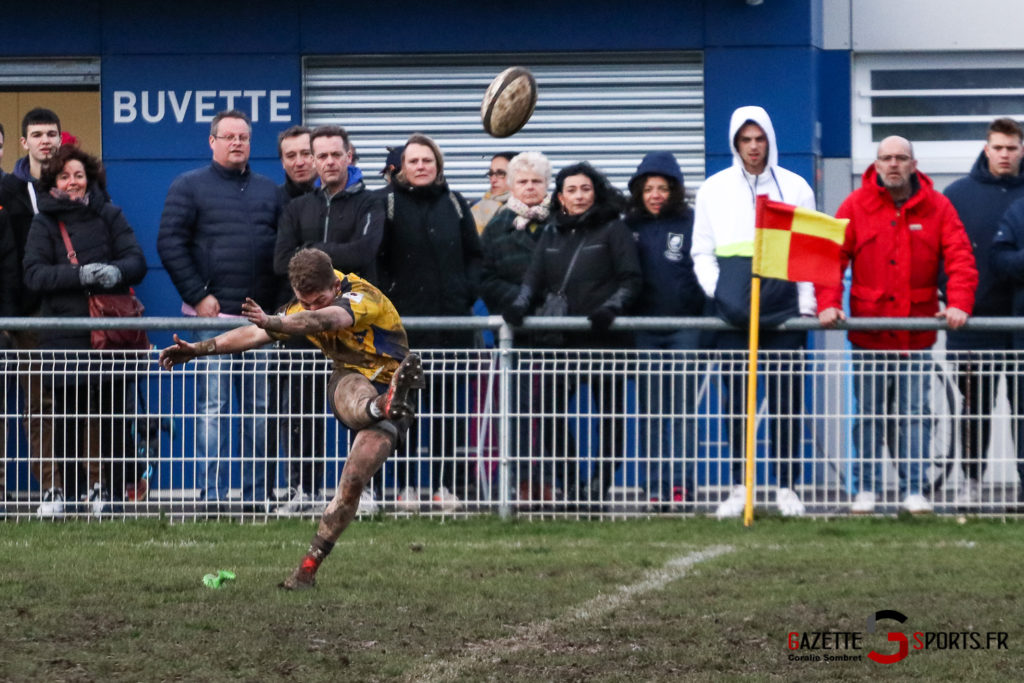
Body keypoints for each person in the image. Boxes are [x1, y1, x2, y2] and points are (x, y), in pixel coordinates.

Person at [158, 248, 424, 590]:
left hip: (391, 381)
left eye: (319, 299)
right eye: (305, 302)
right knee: (353, 391)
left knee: (354, 480)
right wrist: (200, 349)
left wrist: (278, 322)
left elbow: (327, 320)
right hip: (353, 382)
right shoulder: (299, 308)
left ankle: (306, 571)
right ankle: (379, 407)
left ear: (335, 284)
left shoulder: (362, 297)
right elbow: (253, 334)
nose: (311, 307)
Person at [819, 136, 978, 515]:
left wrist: (958, 303)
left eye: (900, 158)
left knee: (915, 414)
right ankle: (866, 490)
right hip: (868, 331)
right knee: (869, 414)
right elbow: (830, 256)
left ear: (913, 164)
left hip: (916, 333)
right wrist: (827, 304)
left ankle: (914, 491)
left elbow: (960, 258)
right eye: (886, 158)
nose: (893, 164)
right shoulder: (855, 206)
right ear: (875, 164)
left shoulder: (938, 207)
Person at [691, 105, 815, 518]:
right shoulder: (714, 188)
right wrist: (721, 293)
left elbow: (807, 252)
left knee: (786, 401)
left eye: (760, 139)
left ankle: (787, 487)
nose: (754, 147)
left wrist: (806, 305)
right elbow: (702, 252)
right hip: (733, 313)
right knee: (737, 403)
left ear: (770, 140)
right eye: (746, 140)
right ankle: (740, 488)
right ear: (735, 143)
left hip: (783, 312)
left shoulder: (795, 186)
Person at [157, 109, 283, 512]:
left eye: (243, 137)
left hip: (259, 324)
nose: (236, 143)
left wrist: (276, 309)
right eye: (227, 137)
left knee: (259, 411)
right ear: (211, 142)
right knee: (212, 409)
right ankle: (211, 497)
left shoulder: (270, 190)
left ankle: (256, 497)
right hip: (211, 321)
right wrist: (197, 296)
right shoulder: (188, 186)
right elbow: (169, 243)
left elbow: (283, 251)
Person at [504, 162, 641, 509]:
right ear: (560, 197)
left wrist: (610, 309)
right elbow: (532, 282)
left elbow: (631, 280)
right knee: (549, 415)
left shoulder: (614, 229)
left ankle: (600, 486)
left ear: (595, 192)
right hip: (561, 343)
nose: (579, 196)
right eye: (571, 190)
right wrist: (519, 306)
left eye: (585, 189)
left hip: (604, 340)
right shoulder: (550, 232)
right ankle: (573, 484)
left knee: (609, 419)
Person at [22, 145, 148, 517]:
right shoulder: (43, 223)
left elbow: (136, 261)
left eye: (79, 175)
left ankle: (103, 489)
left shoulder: (109, 214)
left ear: (89, 178)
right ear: (53, 182)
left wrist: (116, 272)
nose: (73, 182)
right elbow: (34, 274)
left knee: (107, 415)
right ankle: (67, 491)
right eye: (65, 176)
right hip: (64, 335)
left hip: (108, 335)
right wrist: (79, 275)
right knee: (66, 416)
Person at [273, 125, 385, 513]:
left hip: (354, 327)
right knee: (301, 411)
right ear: (314, 160)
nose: (329, 162)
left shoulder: (370, 203)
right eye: (321, 156)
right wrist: (323, 258)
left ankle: (365, 491)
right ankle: (304, 490)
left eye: (336, 154)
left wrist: (312, 251)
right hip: (307, 329)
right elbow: (280, 260)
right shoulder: (297, 208)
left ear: (349, 156)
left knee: (361, 408)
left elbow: (366, 250)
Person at [377, 133, 482, 510]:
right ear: (401, 167)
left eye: (428, 161)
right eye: (414, 161)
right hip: (405, 330)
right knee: (405, 411)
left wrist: (466, 292)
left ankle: (444, 487)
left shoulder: (454, 203)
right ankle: (406, 489)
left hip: (453, 328)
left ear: (438, 166)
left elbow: (475, 255)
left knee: (448, 414)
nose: (421, 167)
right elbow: (378, 259)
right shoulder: (386, 202)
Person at [944, 118, 1024, 507]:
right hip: (973, 324)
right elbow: (941, 250)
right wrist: (950, 296)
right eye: (998, 147)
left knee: (1023, 409)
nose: (1005, 154)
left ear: (1021, 149)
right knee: (975, 407)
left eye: (1011, 147)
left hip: (1021, 323)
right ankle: (971, 482)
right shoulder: (959, 194)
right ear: (986, 148)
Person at [626, 151, 705, 509]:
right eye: (648, 188)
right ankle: (655, 486)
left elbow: (703, 271)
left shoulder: (692, 221)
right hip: (644, 328)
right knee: (651, 411)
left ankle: (682, 485)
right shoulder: (629, 226)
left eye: (662, 188)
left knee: (683, 410)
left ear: (674, 190)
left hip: (684, 328)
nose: (655, 195)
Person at [480, 151, 553, 503]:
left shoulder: (561, 223)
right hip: (517, 335)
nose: (529, 188)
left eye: (536, 181)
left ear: (547, 185)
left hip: (558, 332)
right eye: (522, 181)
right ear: (510, 185)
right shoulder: (497, 227)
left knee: (554, 413)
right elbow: (485, 278)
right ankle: (523, 482)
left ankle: (554, 481)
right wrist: (518, 301)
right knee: (521, 413)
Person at [0, 107, 62, 515]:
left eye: (50, 133)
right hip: (20, 313)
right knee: (28, 407)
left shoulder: (78, 185)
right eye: (36, 134)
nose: (44, 140)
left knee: (57, 405)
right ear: (23, 143)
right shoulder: (10, 191)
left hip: (57, 314)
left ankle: (61, 490)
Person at [471, 152, 515, 234]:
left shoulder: (526, 210)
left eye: (501, 173)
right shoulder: (476, 205)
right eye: (491, 174)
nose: (493, 179)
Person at [277, 125, 316, 204]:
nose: (299, 163)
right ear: (283, 162)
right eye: (291, 156)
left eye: (306, 153)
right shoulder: (272, 203)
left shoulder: (337, 198)